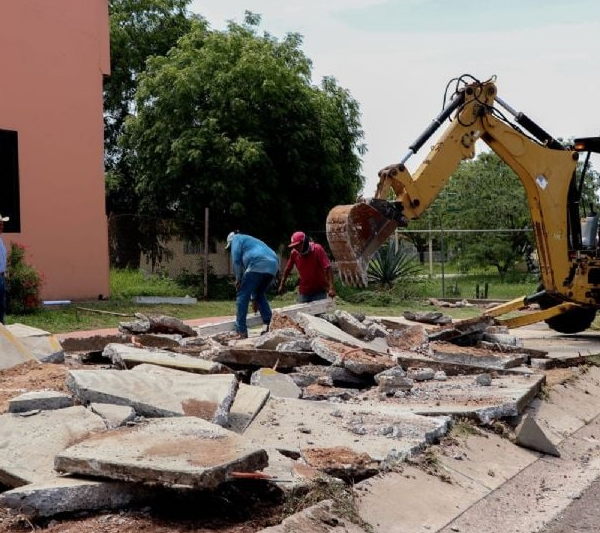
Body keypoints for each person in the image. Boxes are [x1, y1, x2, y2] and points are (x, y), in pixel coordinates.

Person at [225, 231, 279, 338]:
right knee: (259, 294)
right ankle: (269, 324)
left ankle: (241, 330)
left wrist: (238, 279)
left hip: (257, 264)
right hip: (273, 266)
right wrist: (254, 298)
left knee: (242, 295)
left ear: (230, 242)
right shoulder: (252, 240)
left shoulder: (236, 239)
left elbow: (236, 261)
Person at [278, 231, 336, 302]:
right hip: (304, 292)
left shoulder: (317, 249)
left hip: (319, 291)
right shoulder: (294, 253)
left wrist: (331, 288)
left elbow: (328, 267)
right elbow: (287, 269)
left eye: (297, 245)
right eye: (294, 246)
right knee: (302, 313)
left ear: (304, 242)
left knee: (319, 312)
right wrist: (282, 284)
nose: (295, 248)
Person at [0, 214, 8, 324]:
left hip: (1, 277)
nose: (1, 226)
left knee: (1, 305)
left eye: (2, 224)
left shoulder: (0, 240)